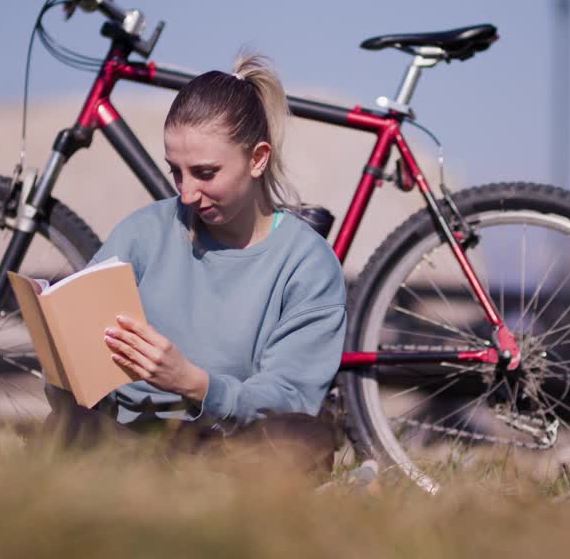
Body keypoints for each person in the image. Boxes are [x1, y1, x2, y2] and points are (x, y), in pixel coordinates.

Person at [41, 53, 347, 480]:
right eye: (176, 173)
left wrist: (194, 383)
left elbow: (290, 397)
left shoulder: (307, 263)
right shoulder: (144, 231)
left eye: (205, 173)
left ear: (258, 159)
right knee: (74, 420)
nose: (187, 194)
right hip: (132, 435)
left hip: (227, 443)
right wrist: (62, 350)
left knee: (302, 439)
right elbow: (81, 361)